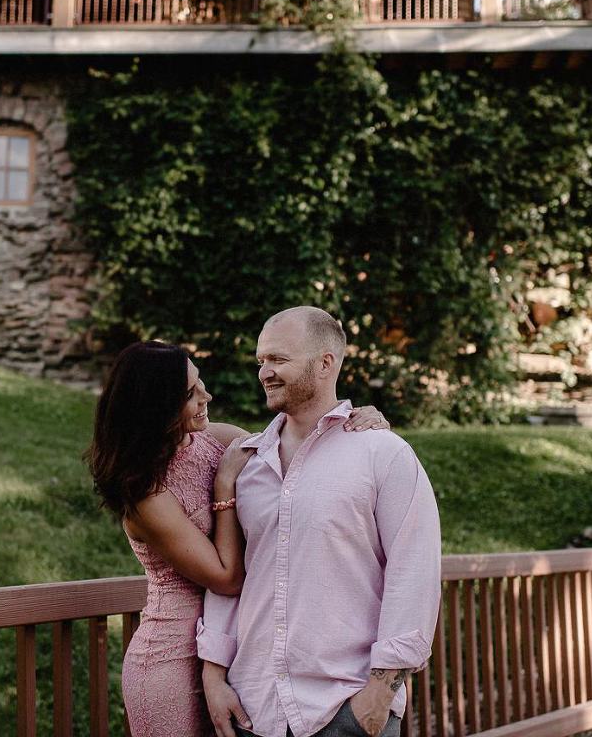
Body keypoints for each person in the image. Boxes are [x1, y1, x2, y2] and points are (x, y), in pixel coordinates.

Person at [86, 340, 391, 737]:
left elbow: (303, 465)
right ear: (156, 407)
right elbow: (227, 578)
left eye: (201, 384)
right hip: (171, 659)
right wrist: (224, 487)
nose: (206, 397)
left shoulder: (218, 439)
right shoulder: (146, 493)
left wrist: (358, 426)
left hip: (239, 649)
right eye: (190, 394)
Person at [197, 307, 441, 737]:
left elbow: (414, 574)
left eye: (278, 360)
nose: (264, 373)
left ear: (325, 363)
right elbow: (233, 578)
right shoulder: (247, 465)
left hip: (348, 710)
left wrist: (380, 692)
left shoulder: (382, 454)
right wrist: (214, 676)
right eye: (261, 362)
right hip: (254, 710)